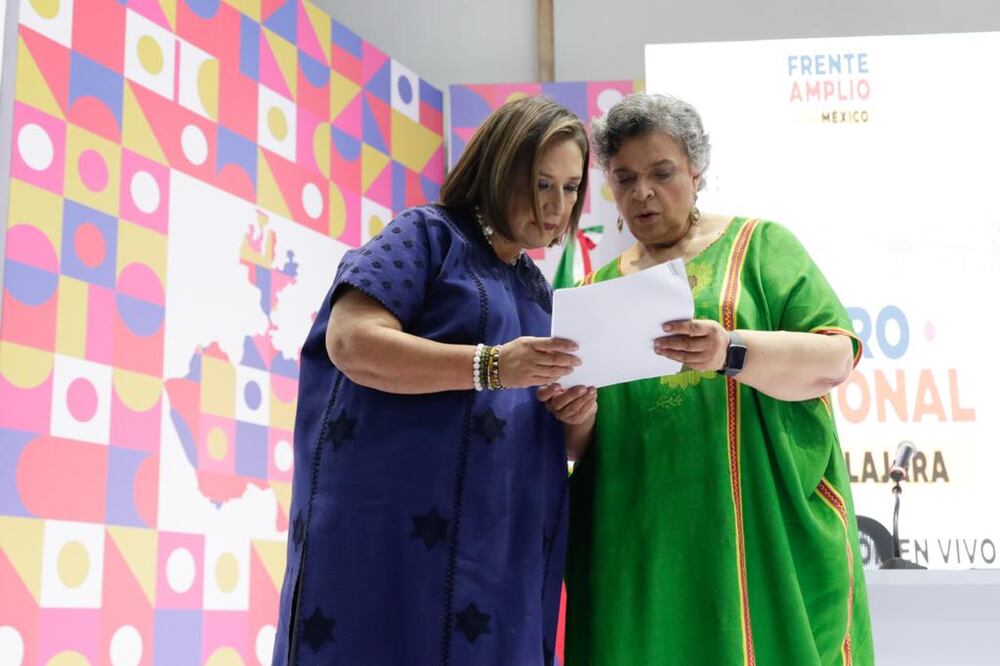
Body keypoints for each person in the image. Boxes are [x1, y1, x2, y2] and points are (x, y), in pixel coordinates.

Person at [539, 93, 874, 664]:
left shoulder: (760, 247)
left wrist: (730, 350)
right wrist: (577, 417)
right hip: (639, 541)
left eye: (661, 172)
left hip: (754, 532)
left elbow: (835, 357)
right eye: (625, 178)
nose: (643, 192)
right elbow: (580, 446)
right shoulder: (591, 293)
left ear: (696, 171)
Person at [269, 96, 590, 665]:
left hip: (496, 562)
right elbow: (351, 341)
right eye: (542, 183)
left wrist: (578, 413)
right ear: (499, 167)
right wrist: (492, 366)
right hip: (392, 550)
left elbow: (556, 440)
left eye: (570, 188)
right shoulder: (427, 236)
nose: (556, 206)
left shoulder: (539, 291)